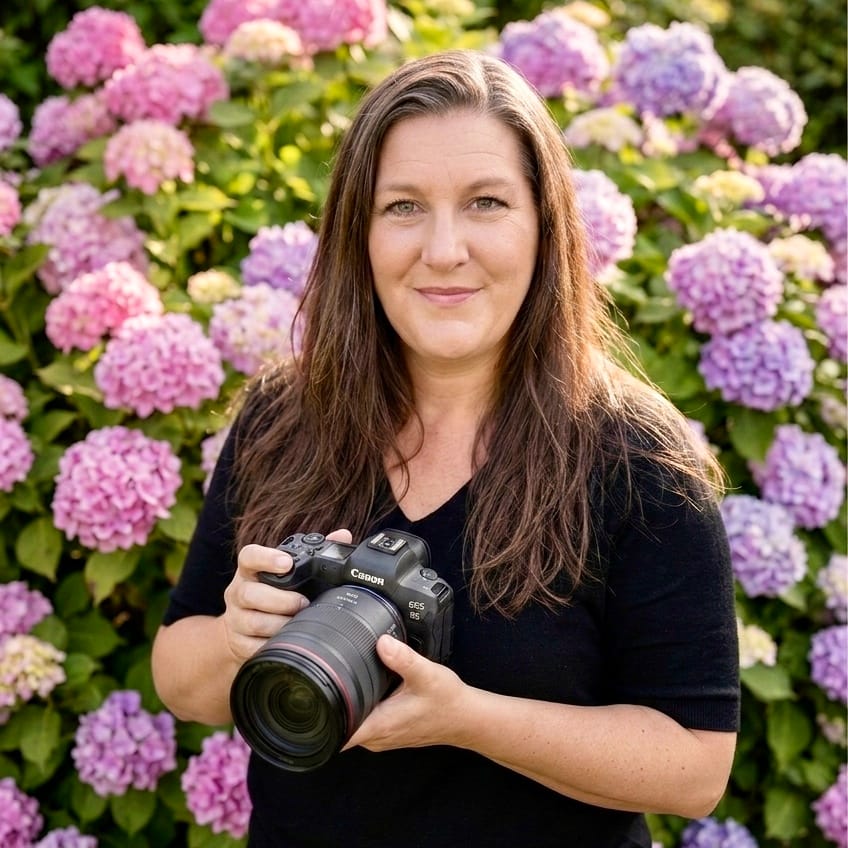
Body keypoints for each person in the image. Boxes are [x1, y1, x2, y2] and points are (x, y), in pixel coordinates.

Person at [151, 49, 740, 847]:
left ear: (544, 225)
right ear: (357, 230)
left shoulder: (638, 462)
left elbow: (696, 767)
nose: (443, 249)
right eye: (402, 207)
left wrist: (470, 720)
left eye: (486, 203)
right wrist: (233, 637)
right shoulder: (286, 415)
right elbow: (180, 679)